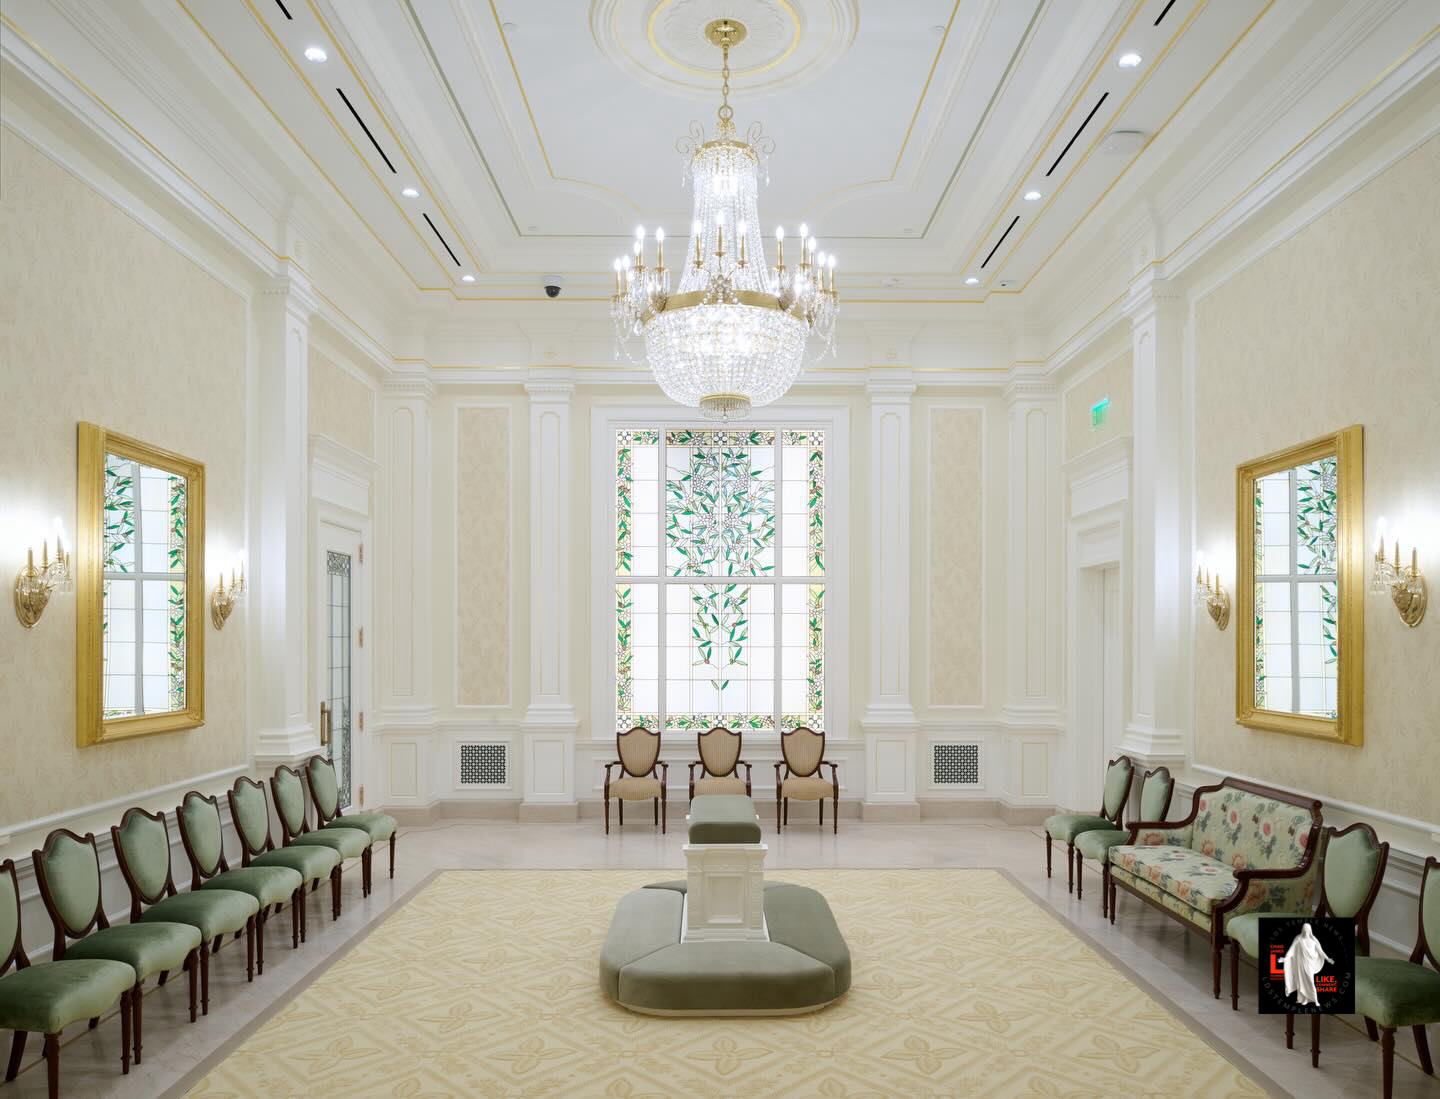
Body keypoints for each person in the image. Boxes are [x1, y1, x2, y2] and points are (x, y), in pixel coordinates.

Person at [1280, 922, 1334, 1006]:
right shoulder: (1298, 939)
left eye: (1307, 930)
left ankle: (1316, 1000)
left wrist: (1327, 959)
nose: (1306, 932)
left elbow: (1320, 951)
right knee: (1302, 982)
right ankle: (1305, 999)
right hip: (1300, 964)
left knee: (1310, 981)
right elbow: (1291, 950)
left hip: (1309, 964)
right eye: (1304, 930)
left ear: (1310, 931)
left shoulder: (1313, 940)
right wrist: (1285, 958)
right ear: (1302, 930)